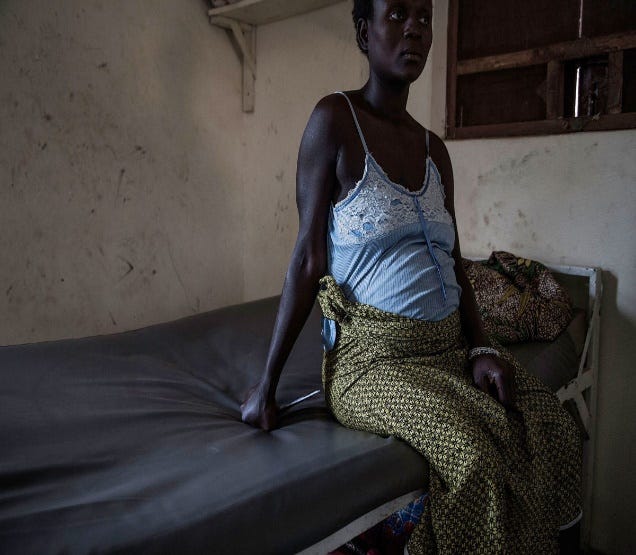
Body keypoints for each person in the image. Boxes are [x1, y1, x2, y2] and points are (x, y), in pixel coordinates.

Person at [241, 1, 582, 553]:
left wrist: (481, 351)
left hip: (447, 352)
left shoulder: (434, 149)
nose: (416, 28)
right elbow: (307, 259)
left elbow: (455, 263)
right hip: (372, 363)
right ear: (363, 32)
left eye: (424, 16)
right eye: (397, 15)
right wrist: (267, 386)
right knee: (472, 454)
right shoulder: (334, 121)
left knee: (550, 423)